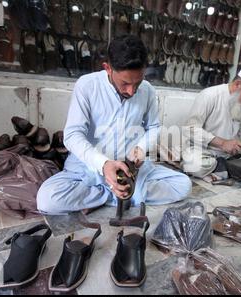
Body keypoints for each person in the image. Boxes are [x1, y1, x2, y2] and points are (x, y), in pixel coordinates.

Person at [37, 35, 191, 214]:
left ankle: (116, 193)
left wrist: (141, 148)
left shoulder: (147, 90)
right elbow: (72, 135)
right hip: (90, 168)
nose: (132, 91)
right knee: (47, 199)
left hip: (131, 169)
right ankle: (118, 194)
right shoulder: (87, 86)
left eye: (137, 83)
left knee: (183, 185)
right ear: (107, 68)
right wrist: (103, 164)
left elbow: (154, 127)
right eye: (125, 83)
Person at [180, 65, 241, 180]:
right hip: (203, 151)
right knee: (194, 165)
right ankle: (224, 167)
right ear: (238, 84)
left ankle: (222, 167)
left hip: (228, 154)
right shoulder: (209, 95)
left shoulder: (240, 100)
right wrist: (222, 143)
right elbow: (190, 129)